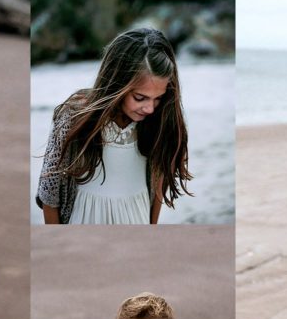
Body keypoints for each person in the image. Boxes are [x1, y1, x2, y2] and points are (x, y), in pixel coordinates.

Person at [36, 28, 191, 224]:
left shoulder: (158, 123)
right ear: (117, 84)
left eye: (158, 98)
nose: (150, 108)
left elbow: (158, 188)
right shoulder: (74, 117)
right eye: (140, 98)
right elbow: (50, 194)